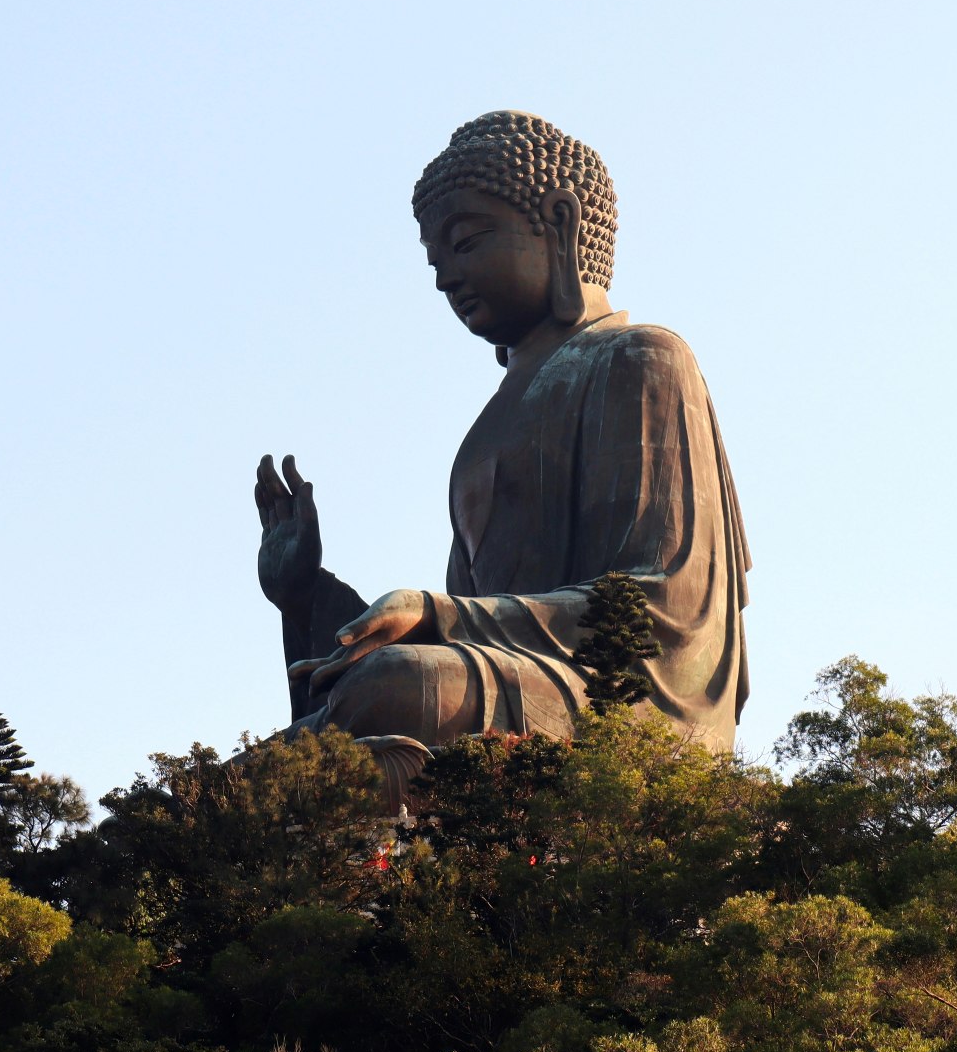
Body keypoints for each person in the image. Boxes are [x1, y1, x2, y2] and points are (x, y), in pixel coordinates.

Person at [254, 111, 749, 790]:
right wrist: (307, 598)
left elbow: (657, 610)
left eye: (466, 241)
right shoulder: (488, 430)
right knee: (287, 749)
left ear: (560, 221)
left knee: (396, 687)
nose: (445, 277)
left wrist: (437, 613)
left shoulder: (643, 359)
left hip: (622, 707)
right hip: (515, 679)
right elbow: (470, 631)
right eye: (435, 260)